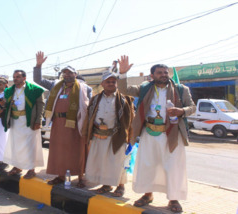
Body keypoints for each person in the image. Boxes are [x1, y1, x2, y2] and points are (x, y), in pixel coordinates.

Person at [117, 56, 196, 213]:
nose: (164, 75)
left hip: (172, 134)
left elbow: (192, 107)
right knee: (148, 165)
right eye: (160, 72)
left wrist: (182, 111)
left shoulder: (181, 89)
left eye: (166, 72)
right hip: (149, 132)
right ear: (152, 75)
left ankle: (173, 199)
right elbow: (124, 90)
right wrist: (123, 74)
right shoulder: (145, 88)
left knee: (173, 167)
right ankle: (147, 195)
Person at [34, 52, 89, 187]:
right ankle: (60, 176)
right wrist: (38, 65)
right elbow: (38, 80)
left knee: (78, 151)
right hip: (58, 123)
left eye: (70, 73)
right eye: (65, 73)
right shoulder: (55, 85)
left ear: (75, 74)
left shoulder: (84, 87)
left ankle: (81, 177)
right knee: (59, 150)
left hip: (76, 124)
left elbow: (90, 105)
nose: (67, 75)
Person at [82, 72, 134, 196]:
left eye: (113, 82)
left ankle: (120, 186)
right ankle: (106, 185)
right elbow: (89, 116)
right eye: (108, 82)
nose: (111, 84)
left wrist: (130, 137)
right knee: (103, 161)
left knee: (118, 161)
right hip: (98, 135)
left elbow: (131, 119)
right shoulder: (95, 99)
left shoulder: (125, 99)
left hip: (117, 135)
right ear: (102, 84)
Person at [0, 70, 45, 179]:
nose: (15, 79)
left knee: (30, 146)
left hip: (29, 121)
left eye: (18, 76)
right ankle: (17, 166)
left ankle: (31, 169)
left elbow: (41, 105)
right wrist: (3, 104)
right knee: (15, 146)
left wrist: (38, 121)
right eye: (14, 77)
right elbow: (7, 105)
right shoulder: (9, 91)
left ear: (24, 78)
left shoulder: (35, 90)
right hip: (15, 121)